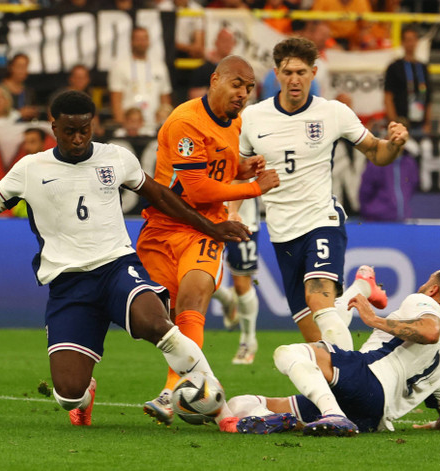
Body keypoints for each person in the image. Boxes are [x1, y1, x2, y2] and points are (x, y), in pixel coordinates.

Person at [0, 90, 250, 428]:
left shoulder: (116, 158)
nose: (78, 139)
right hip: (69, 284)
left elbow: (162, 197)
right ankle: (85, 394)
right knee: (68, 393)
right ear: (54, 127)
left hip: (116, 268)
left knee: (159, 325)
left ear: (93, 125)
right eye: (69, 131)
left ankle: (224, 414)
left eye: (84, 130)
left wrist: (211, 227)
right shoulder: (30, 168)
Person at [136, 55, 281, 425]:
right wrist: (253, 187)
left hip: (205, 228)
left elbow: (214, 170)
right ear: (215, 80)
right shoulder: (186, 121)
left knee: (193, 298)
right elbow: (197, 188)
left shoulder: (232, 123)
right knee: (160, 319)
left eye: (249, 88)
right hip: (163, 230)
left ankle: (173, 392)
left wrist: (239, 168)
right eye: (237, 85)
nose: (243, 94)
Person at [239, 37, 409, 350]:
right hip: (281, 232)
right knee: (318, 337)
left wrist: (395, 144)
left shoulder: (333, 113)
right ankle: (360, 286)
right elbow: (237, 169)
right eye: (288, 72)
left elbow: (376, 152)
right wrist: (234, 204)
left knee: (320, 304)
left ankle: (356, 388)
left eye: (301, 72)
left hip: (321, 220)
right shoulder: (252, 118)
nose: (294, 79)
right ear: (276, 74)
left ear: (314, 73)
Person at [220, 267, 440, 436]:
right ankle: (284, 419)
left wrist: (375, 320)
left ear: (434, 290)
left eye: (427, 282)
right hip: (370, 418)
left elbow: (430, 331)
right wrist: (430, 425)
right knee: (240, 404)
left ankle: (333, 414)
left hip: (367, 377)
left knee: (287, 353)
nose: (423, 286)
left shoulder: (426, 304)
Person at [212, 195, 261, 364]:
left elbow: (243, 175)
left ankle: (248, 340)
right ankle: (227, 299)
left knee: (241, 284)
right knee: (200, 275)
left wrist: (232, 210)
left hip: (242, 215)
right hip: (207, 214)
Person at [108, 27, 172, 133]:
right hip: (129, 126)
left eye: (144, 38)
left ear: (149, 41)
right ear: (131, 41)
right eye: (138, 39)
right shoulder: (119, 66)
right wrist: (121, 124)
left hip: (153, 126)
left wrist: (163, 122)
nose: (141, 42)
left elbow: (164, 98)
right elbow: (116, 99)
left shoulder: (159, 66)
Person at [384, 25, 432, 138]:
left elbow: (428, 97)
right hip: (401, 123)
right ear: (403, 42)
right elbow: (388, 96)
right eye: (408, 40)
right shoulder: (394, 67)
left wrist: (428, 123)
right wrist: (394, 123)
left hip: (419, 124)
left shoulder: (423, 67)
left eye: (414, 39)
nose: (411, 43)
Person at [359, 144, 419, 222]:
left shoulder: (410, 163)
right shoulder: (376, 163)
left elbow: (412, 185)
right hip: (377, 220)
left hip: (402, 219)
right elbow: (365, 191)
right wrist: (371, 211)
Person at [188, 27, 236, 100]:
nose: (227, 44)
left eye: (230, 41)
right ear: (216, 42)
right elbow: (194, 96)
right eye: (224, 41)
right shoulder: (202, 70)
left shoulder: (238, 70)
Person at [0, 53, 41, 122]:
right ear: (11, 67)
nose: (23, 71)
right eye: (20, 67)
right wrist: (19, 113)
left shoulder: (29, 91)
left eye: (26, 67)